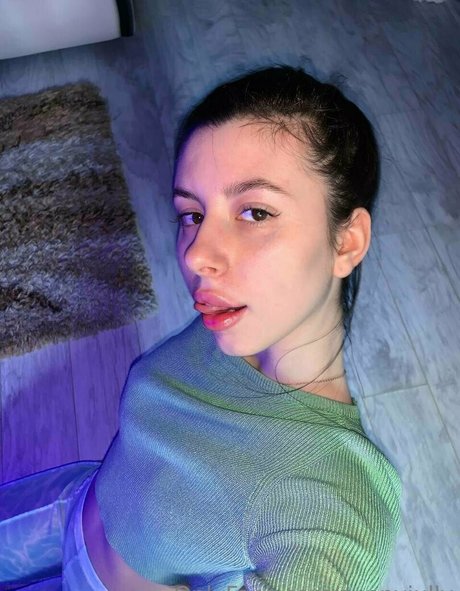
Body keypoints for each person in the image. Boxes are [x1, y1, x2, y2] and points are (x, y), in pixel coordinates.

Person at [0, 64, 402, 591]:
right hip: (69, 501)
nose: (197, 255)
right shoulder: (240, 321)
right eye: (192, 214)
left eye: (255, 213)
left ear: (346, 241)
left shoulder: (333, 502)